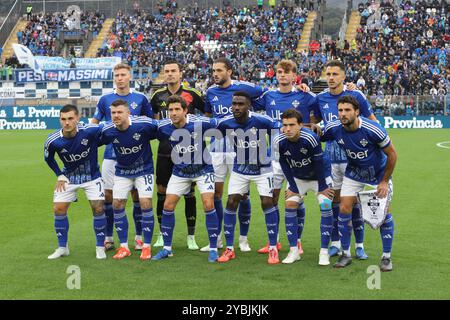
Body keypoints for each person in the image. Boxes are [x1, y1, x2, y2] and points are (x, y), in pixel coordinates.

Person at [321, 95, 397, 271]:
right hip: (354, 173)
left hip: (378, 175)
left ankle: (386, 257)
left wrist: (384, 181)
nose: (343, 114)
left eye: (347, 110)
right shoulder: (334, 128)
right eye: (340, 110)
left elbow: (392, 154)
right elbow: (319, 134)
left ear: (357, 112)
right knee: (344, 208)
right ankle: (345, 254)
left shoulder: (373, 129)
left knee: (384, 214)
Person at [313, 60, 377, 260]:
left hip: (353, 158)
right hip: (331, 158)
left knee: (354, 203)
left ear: (343, 76)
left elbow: (374, 123)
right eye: (328, 74)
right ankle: (335, 243)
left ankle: (359, 245)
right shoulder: (319, 98)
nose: (331, 78)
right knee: (334, 202)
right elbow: (314, 127)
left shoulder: (355, 95)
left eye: (335, 74)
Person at [254, 59, 317, 255]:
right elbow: (247, 101)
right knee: (270, 199)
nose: (282, 75)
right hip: (273, 157)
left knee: (296, 200)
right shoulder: (268, 96)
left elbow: (323, 105)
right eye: (279, 72)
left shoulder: (304, 96)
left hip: (297, 158)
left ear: (294, 76)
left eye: (286, 72)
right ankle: (274, 240)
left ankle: (297, 241)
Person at [202, 57, 265, 253]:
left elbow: (267, 95)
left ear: (229, 71)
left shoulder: (245, 89)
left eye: (219, 70)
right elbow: (207, 118)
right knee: (217, 194)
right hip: (217, 149)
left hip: (243, 149)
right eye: (213, 71)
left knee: (242, 195)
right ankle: (219, 238)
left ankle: (243, 239)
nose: (215, 74)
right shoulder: (211, 92)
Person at [91, 63, 153, 252]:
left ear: (130, 76)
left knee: (137, 196)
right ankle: (109, 237)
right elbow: (95, 122)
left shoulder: (140, 98)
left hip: (137, 156)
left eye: (123, 74)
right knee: (109, 197)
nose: (119, 78)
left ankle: (139, 237)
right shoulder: (105, 99)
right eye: (116, 75)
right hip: (111, 154)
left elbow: (151, 123)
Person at [152, 95, 220, 262]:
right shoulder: (163, 127)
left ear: (185, 110)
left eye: (177, 109)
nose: (173, 113)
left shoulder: (200, 123)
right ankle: (167, 248)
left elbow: (221, 124)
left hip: (204, 170)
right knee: (167, 205)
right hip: (180, 172)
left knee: (208, 203)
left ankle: (213, 248)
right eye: (170, 110)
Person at [216, 91, 281, 265]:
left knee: (268, 202)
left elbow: (278, 129)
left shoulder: (261, 120)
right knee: (231, 201)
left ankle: (273, 248)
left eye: (241, 104)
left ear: (249, 106)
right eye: (234, 104)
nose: (236, 107)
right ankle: (229, 249)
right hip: (240, 169)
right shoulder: (225, 122)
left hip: (263, 170)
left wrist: (271, 153)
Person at [150, 60, 205, 250]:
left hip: (188, 152)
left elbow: (206, 115)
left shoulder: (193, 94)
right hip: (165, 151)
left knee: (190, 193)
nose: (170, 74)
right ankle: (161, 235)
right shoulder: (157, 96)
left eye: (173, 71)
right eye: (167, 71)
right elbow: (154, 121)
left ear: (180, 73)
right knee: (162, 193)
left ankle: (191, 236)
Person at [98, 100, 159, 260]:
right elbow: (92, 139)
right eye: (113, 113)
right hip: (122, 172)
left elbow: (162, 130)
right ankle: (123, 247)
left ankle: (146, 246)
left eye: (119, 112)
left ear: (128, 113)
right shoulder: (108, 130)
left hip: (144, 170)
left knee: (145, 203)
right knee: (117, 204)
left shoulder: (143, 125)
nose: (116, 116)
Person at [44, 104, 106, 260]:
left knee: (98, 208)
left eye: (70, 118)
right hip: (69, 177)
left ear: (78, 118)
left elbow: (109, 130)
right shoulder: (53, 141)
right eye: (63, 119)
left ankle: (100, 247)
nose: (67, 122)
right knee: (58, 209)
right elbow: (48, 159)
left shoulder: (90, 130)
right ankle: (62, 248)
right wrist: (59, 175)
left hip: (92, 177)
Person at [274, 109, 334, 265]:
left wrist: (322, 186)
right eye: (285, 125)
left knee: (326, 205)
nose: (288, 129)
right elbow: (283, 164)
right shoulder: (278, 140)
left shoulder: (311, 138)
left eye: (292, 125)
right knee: (290, 204)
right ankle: (294, 251)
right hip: (298, 177)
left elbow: (319, 163)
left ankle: (324, 252)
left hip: (320, 176)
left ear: (300, 125)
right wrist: (293, 186)